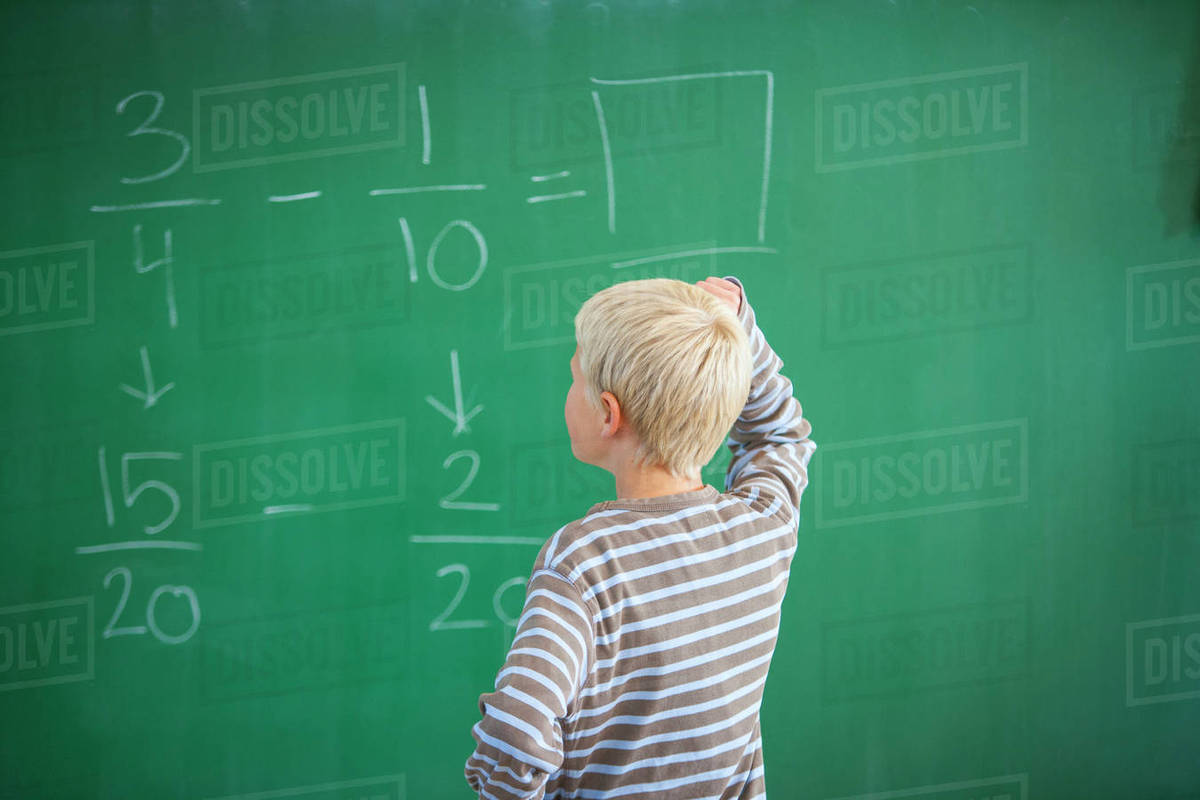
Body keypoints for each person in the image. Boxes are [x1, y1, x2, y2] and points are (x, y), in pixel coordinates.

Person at [465, 274, 816, 799]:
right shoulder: (761, 532)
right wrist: (741, 329)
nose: (567, 391)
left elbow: (516, 734)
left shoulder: (584, 564)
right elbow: (779, 435)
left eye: (573, 378)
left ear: (609, 413)